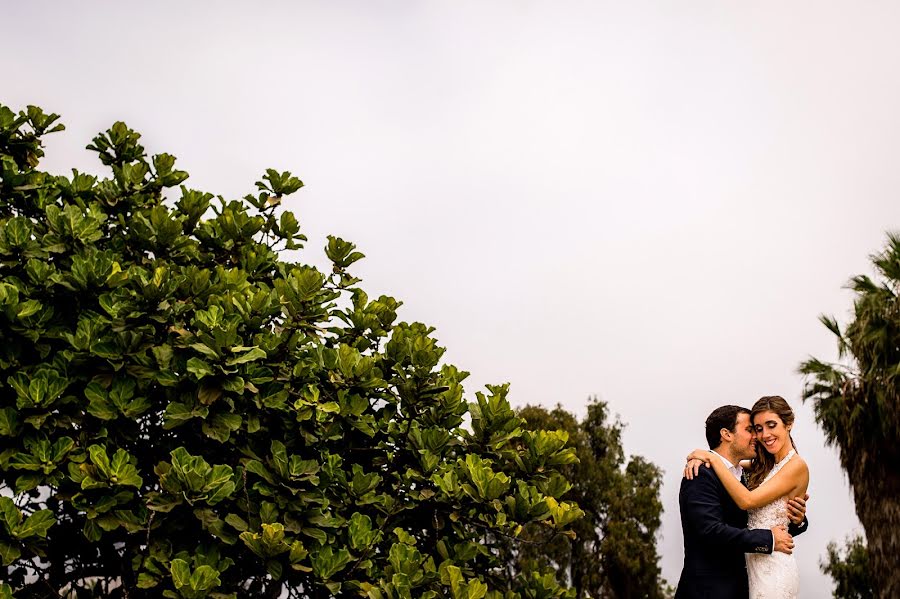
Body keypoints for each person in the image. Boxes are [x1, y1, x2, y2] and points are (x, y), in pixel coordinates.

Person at [675, 403, 809, 599]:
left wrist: (798, 519)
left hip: (747, 585)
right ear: (726, 434)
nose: (758, 436)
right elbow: (710, 531)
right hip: (708, 591)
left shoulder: (746, 475)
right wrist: (769, 540)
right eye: (750, 430)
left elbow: (761, 517)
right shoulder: (700, 474)